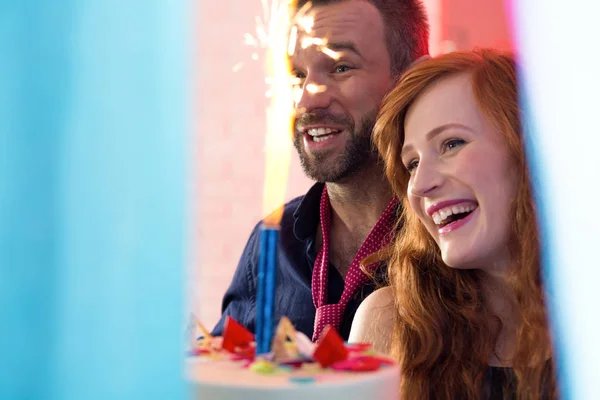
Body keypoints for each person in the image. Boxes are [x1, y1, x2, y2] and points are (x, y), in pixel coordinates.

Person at [212, 0, 429, 341]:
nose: (307, 101)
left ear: (412, 80)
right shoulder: (271, 243)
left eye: (341, 67)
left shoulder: (452, 243)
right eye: (297, 75)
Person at [349, 49, 557, 399]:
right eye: (412, 163)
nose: (419, 184)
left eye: (451, 143)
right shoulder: (387, 324)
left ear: (531, 150)